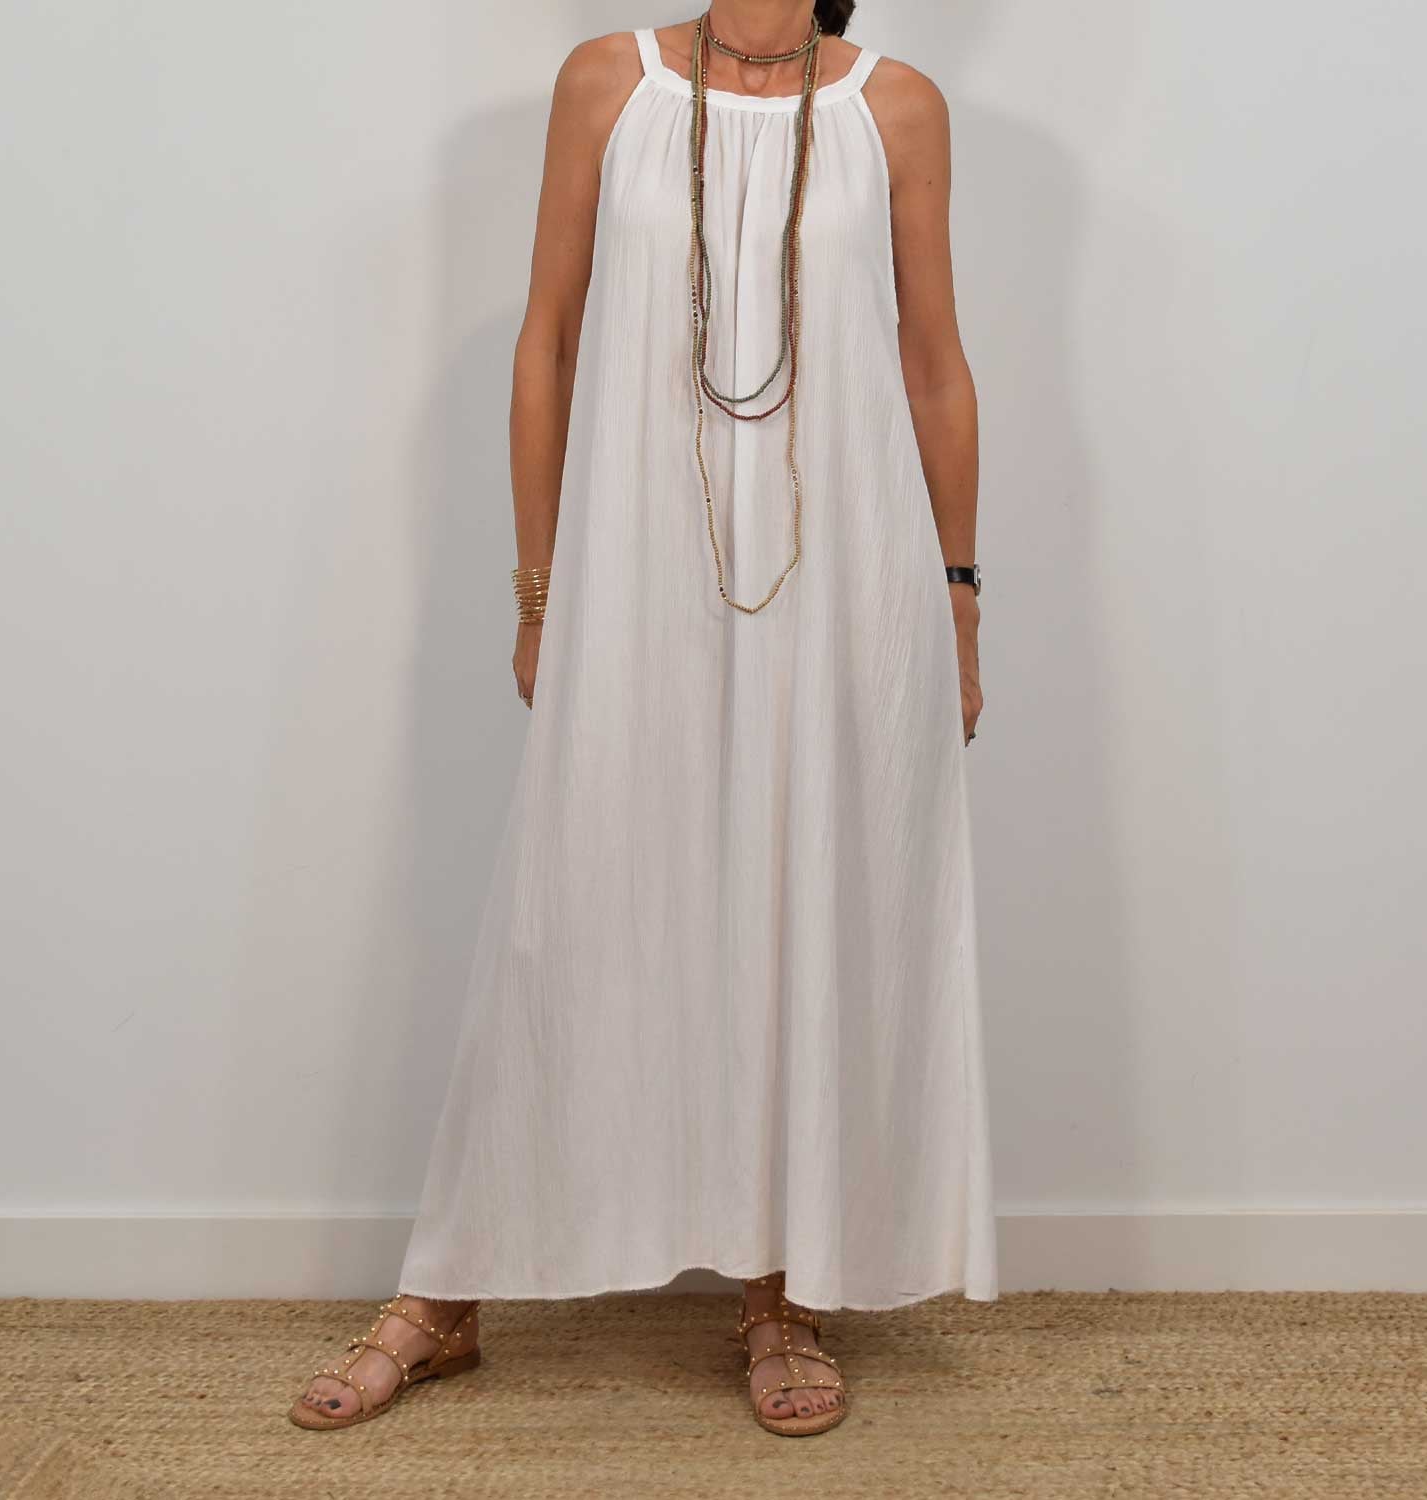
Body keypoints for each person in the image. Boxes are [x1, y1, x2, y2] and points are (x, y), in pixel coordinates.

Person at [291, 0, 995, 1439]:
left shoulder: (898, 109)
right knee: (574, 903)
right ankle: (448, 1288)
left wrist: (960, 596)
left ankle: (779, 1290)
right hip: (636, 571)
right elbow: (546, 343)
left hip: (842, 579)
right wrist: (538, 587)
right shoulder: (606, 83)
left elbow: (932, 361)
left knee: (798, 909)